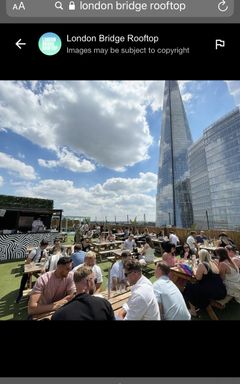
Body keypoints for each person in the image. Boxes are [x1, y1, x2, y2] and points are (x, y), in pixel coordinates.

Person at [184, 249, 226, 318]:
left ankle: (193, 311)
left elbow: (198, 278)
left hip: (213, 292)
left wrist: (194, 264)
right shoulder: (213, 262)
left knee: (189, 286)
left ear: (201, 256)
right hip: (221, 290)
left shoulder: (202, 264)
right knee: (195, 286)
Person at [15, 239, 49, 303]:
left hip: (37, 267)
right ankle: (20, 295)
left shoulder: (43, 250)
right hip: (30, 267)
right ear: (44, 245)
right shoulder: (34, 251)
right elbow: (28, 261)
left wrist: (43, 262)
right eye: (46, 246)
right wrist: (32, 265)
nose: (46, 247)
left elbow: (46, 258)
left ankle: (44, 291)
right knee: (25, 278)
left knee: (45, 274)